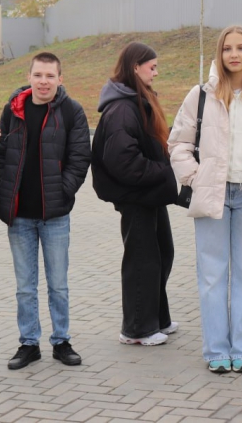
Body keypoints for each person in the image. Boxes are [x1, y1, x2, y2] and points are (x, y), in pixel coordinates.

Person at [170, 26, 242, 373]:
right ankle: (217, 350)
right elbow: (178, 144)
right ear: (219, 54)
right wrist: (194, 176)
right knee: (213, 277)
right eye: (228, 48)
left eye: (241, 48)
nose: (234, 54)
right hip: (213, 196)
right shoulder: (200, 95)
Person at [0, 52, 91, 369]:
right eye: (38, 75)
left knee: (58, 284)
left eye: (50, 76)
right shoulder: (14, 108)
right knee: (25, 287)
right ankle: (28, 344)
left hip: (55, 215)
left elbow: (80, 159)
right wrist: (3, 193)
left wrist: (63, 193)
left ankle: (61, 341)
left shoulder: (72, 111)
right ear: (30, 76)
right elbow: (0, 155)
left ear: (60, 79)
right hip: (19, 215)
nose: (44, 81)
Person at [91, 42, 178, 348]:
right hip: (137, 196)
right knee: (142, 261)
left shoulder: (136, 100)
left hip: (149, 194)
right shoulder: (122, 108)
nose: (156, 72)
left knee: (162, 253)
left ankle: (157, 318)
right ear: (135, 68)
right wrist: (164, 172)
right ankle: (137, 329)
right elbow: (122, 160)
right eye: (151, 67)